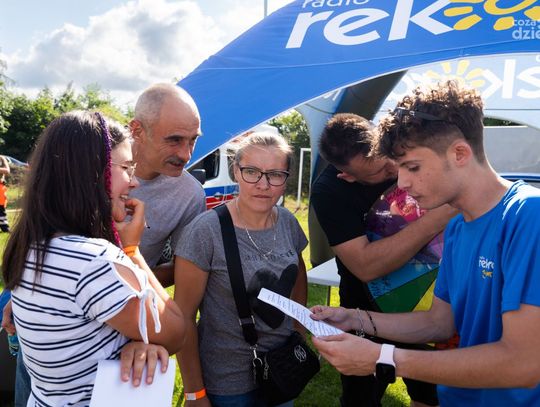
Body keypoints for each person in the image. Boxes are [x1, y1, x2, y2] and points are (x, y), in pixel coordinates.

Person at [311, 80, 540, 406]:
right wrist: (354, 319)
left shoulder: (528, 216)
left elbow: (524, 364)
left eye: (412, 167)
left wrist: (384, 358)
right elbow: (439, 323)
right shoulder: (458, 226)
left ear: (460, 153)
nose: (401, 182)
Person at [2, 111, 185, 406]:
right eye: (126, 167)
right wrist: (132, 250)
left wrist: (140, 342)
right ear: (91, 173)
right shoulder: (93, 262)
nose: (134, 182)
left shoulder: (32, 245)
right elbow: (176, 332)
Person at [310, 113, 455, 407]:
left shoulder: (402, 147)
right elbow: (366, 266)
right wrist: (438, 217)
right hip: (365, 305)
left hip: (427, 301)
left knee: (430, 394)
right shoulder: (329, 191)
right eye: (380, 170)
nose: (395, 170)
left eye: (391, 156)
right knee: (361, 398)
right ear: (347, 176)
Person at [175, 132, 308, 406]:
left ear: (286, 179)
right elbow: (183, 317)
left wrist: (299, 333)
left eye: (275, 174)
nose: (263, 184)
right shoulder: (206, 232)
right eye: (251, 172)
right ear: (236, 171)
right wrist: (194, 393)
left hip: (283, 370)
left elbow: (298, 277)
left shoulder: (287, 222)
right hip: (228, 382)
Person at [129, 83, 206, 287]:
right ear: (137, 131)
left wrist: (125, 285)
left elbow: (184, 267)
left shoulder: (190, 195)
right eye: (174, 140)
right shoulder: (92, 168)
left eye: (193, 140)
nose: (186, 155)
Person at [0, 155, 11, 232]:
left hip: (0, 187)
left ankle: (4, 227)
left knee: (1, 208)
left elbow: (7, 170)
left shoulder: (1, 158)